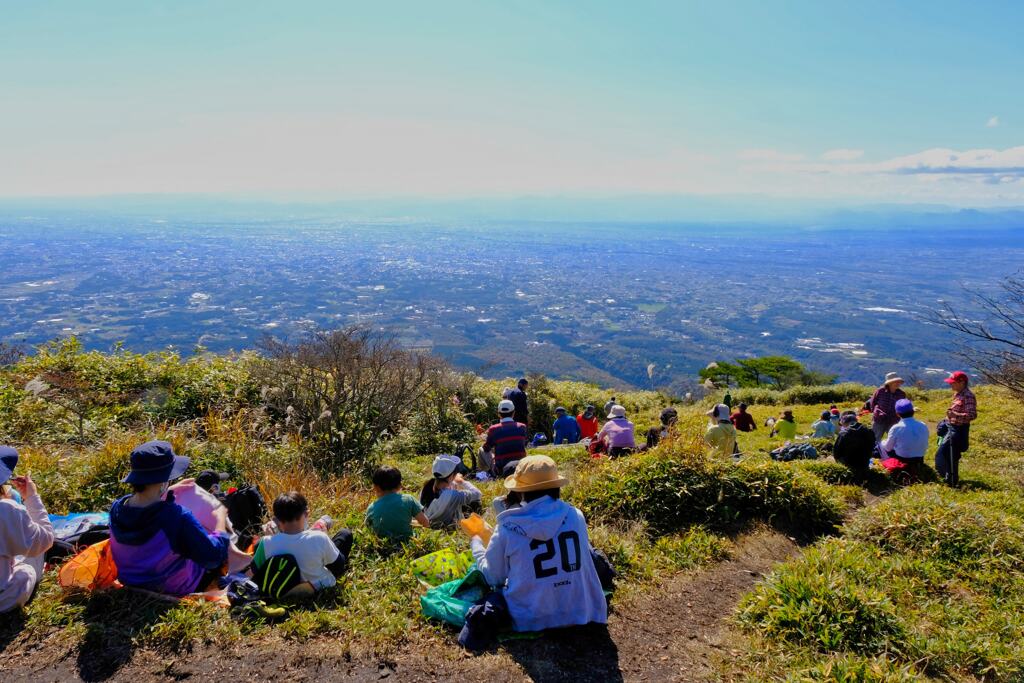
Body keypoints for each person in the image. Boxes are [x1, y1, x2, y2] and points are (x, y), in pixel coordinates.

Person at [462, 455, 607, 650]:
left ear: (520, 491)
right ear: (556, 485)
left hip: (530, 617)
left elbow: (493, 577)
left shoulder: (507, 526)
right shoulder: (575, 515)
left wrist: (476, 544)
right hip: (579, 611)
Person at [109, 441, 231, 596]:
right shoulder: (176, 517)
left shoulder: (117, 508)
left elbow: (145, 511)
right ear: (164, 479)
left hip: (129, 580)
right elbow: (212, 557)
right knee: (220, 549)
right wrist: (220, 519)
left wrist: (168, 490)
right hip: (170, 587)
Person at [252, 491, 353, 596]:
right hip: (319, 587)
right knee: (345, 534)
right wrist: (325, 536)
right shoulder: (319, 538)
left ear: (276, 520)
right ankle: (318, 529)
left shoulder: (265, 542)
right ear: (306, 514)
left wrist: (271, 537)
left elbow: (255, 569)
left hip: (283, 588)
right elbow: (339, 565)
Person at [0, 447, 54, 613]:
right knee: (27, 572)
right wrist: (31, 498)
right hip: (3, 598)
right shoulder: (7, 509)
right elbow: (45, 540)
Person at [935, 371, 977, 487]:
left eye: (953, 383)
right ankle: (950, 478)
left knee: (946, 452)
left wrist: (954, 415)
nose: (951, 385)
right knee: (949, 453)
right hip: (951, 427)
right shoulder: (957, 394)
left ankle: (948, 478)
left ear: (962, 382)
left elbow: (972, 415)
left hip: (959, 429)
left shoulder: (968, 396)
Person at [365, 466, 430, 542]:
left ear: (376, 487)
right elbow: (426, 523)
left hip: (383, 545)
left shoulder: (371, 507)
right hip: (409, 543)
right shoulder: (408, 499)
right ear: (400, 485)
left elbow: (369, 529)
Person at [420, 455, 482, 529]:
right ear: (452, 475)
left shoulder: (427, 486)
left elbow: (446, 488)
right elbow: (478, 493)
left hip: (430, 523)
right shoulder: (452, 495)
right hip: (448, 527)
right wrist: (462, 481)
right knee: (477, 502)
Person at [881, 399, 929, 479]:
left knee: (881, 446)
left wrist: (883, 442)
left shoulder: (896, 427)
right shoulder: (923, 425)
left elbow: (888, 448)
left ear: (897, 414)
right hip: (920, 458)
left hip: (903, 459)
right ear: (913, 411)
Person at [480, 400, 529, 476]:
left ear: (499, 414)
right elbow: (523, 444)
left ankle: (486, 473)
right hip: (521, 466)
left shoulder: (493, 429)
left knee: (481, 450)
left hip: (502, 469)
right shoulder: (522, 427)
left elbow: (486, 448)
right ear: (513, 412)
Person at [832, 412, 874, 481]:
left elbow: (836, 452)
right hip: (865, 461)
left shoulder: (843, 433)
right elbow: (873, 446)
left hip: (849, 461)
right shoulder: (869, 430)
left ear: (845, 423)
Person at [868, 372, 908, 443]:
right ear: (889, 383)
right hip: (879, 419)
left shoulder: (901, 394)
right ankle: (874, 453)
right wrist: (875, 413)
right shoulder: (880, 391)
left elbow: (903, 406)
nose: (897, 383)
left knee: (894, 440)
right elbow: (872, 403)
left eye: (898, 382)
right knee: (875, 439)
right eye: (895, 382)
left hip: (893, 420)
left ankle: (889, 453)